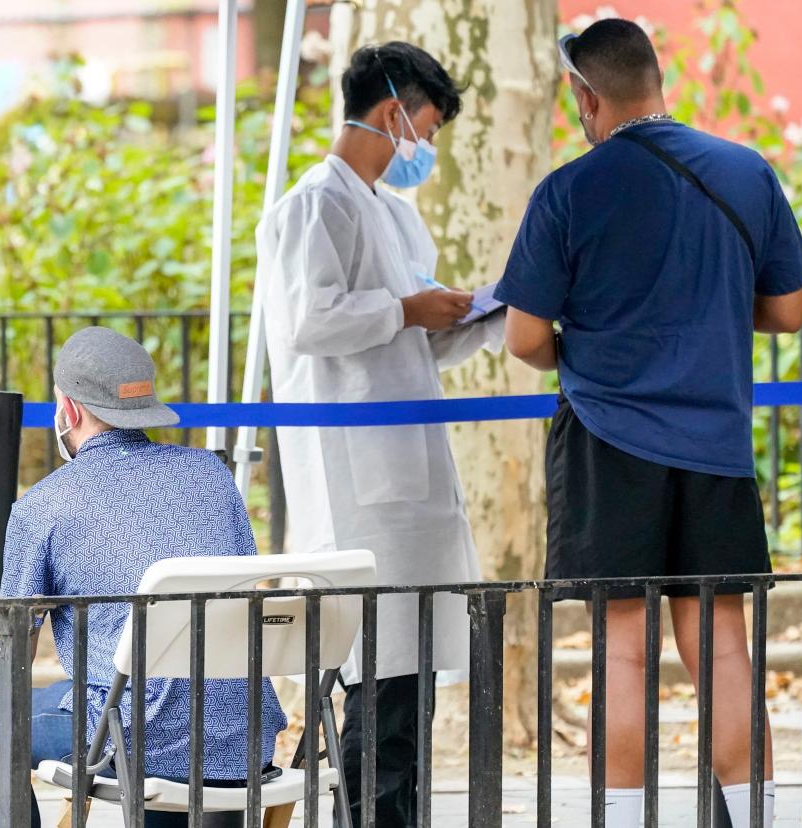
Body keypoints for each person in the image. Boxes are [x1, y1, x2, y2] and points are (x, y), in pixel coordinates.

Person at [495, 19, 802, 828]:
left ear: (584, 95)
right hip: (717, 447)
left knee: (624, 654)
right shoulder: (747, 171)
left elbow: (525, 338)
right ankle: (757, 817)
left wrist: (591, 344)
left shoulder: (568, 190)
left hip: (609, 446)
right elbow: (789, 310)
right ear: (654, 79)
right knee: (725, 652)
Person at [256, 41, 503, 826]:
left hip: (411, 480)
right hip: (359, 484)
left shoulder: (394, 214)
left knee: (411, 682)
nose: (423, 149)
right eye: (426, 129)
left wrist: (475, 314)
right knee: (379, 683)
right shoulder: (313, 205)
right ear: (396, 113)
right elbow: (307, 323)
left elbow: (414, 339)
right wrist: (405, 310)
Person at [0, 327, 287, 828]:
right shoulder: (212, 476)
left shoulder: (44, 506)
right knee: (172, 713)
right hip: (242, 737)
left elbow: (11, 650)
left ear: (69, 410)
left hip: (132, 739)